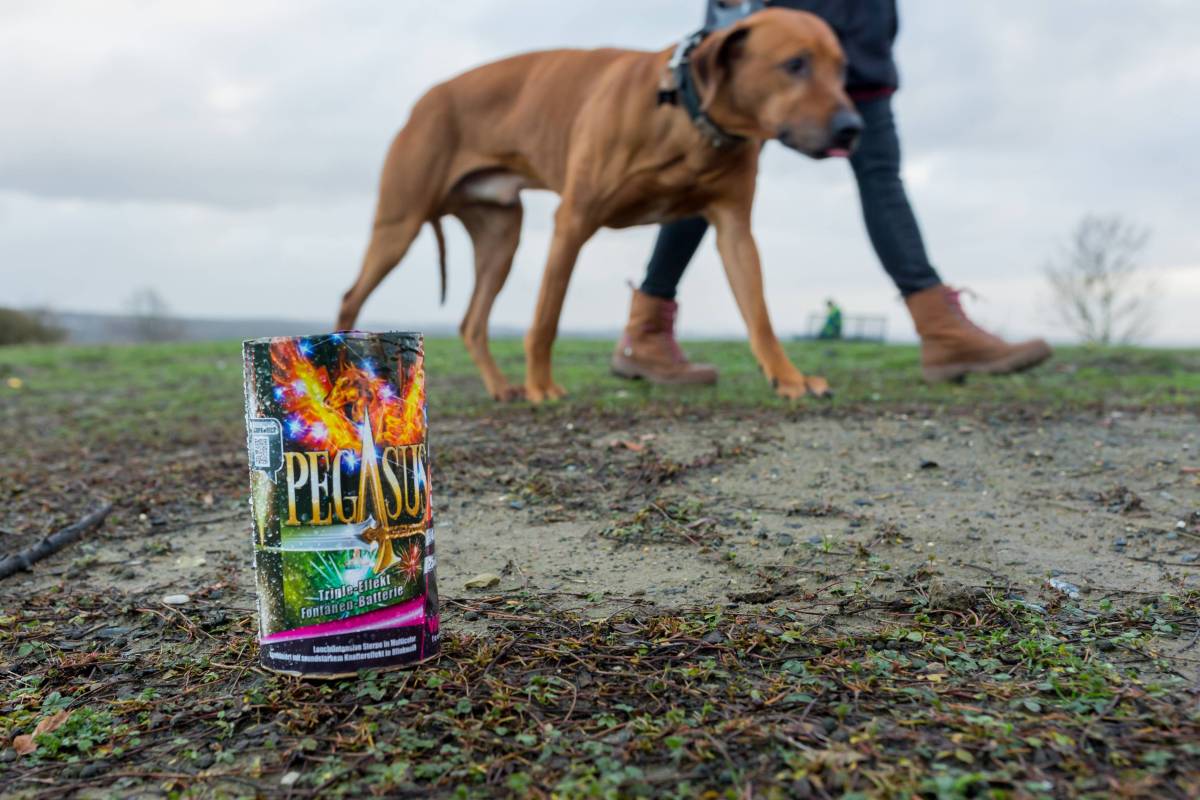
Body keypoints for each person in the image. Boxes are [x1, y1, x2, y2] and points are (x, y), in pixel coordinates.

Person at [610, 0, 1052, 385]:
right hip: (767, 55)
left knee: (880, 177)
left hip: (856, 48)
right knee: (707, 182)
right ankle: (646, 330)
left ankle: (943, 332)